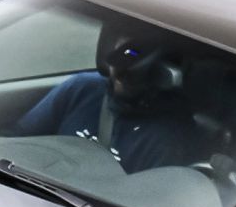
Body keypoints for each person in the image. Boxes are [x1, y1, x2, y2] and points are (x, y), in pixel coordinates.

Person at [12, 24, 215, 174]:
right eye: (121, 42)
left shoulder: (169, 137)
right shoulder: (82, 88)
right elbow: (17, 141)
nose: (121, 72)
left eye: (139, 50)